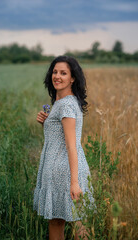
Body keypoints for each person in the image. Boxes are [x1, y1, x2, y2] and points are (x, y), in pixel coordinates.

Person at [33, 55, 95, 240]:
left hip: (65, 170)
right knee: (68, 220)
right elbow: (60, 138)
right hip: (63, 169)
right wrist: (46, 124)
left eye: (63, 73)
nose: (57, 76)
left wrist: (74, 182)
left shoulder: (66, 104)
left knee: (71, 222)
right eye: (54, 72)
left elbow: (70, 145)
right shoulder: (64, 103)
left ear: (72, 78)